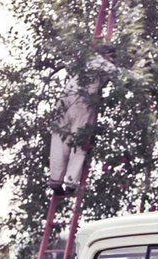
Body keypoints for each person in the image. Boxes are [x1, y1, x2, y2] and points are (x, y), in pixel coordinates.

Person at [48, 44, 124, 196]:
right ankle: (70, 181)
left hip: (65, 98)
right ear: (107, 55)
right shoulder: (102, 63)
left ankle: (55, 179)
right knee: (80, 140)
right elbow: (120, 74)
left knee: (59, 137)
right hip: (82, 101)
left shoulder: (86, 62)